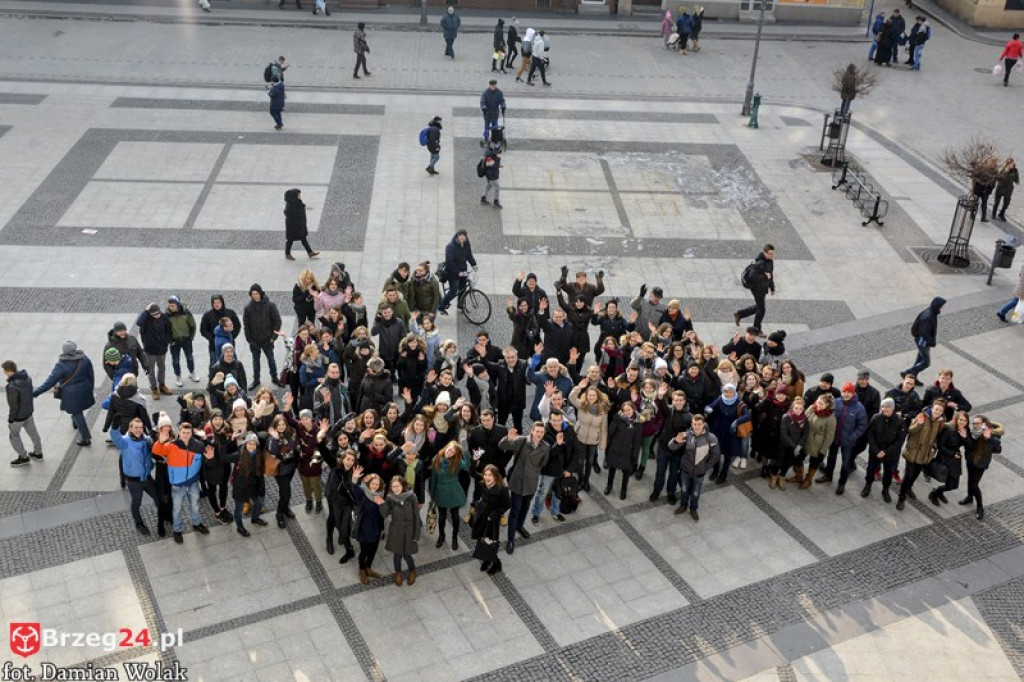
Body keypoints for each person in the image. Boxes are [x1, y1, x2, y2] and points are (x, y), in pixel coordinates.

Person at [152, 421, 211, 544]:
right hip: (177, 486)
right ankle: (177, 530)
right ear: (179, 432)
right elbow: (156, 452)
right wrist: (160, 441)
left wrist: (206, 440)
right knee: (177, 509)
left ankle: (197, 523)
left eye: (188, 433)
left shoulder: (199, 445)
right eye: (183, 432)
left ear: (191, 433)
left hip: (193, 483)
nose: (186, 435)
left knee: (195, 506)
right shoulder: (171, 445)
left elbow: (209, 454)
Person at [499, 422, 549, 554]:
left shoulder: (545, 447)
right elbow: (501, 446)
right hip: (517, 481)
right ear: (532, 431)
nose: (539, 434)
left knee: (525, 507)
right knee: (515, 510)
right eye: (537, 431)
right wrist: (508, 439)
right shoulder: (521, 441)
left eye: (541, 432)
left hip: (531, 483)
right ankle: (510, 540)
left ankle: (519, 526)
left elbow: (543, 463)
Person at [33, 341, 95, 447]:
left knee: (77, 413)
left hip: (71, 394)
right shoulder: (84, 359)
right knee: (76, 411)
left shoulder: (61, 365)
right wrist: (90, 387)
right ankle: (75, 422)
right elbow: (91, 374)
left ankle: (86, 438)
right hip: (84, 388)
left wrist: (36, 392)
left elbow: (50, 382)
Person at [897, 398, 946, 511]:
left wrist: (934, 446)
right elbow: (910, 430)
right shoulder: (922, 416)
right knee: (908, 475)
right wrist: (919, 424)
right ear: (932, 408)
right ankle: (902, 496)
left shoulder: (939, 422)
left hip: (925, 454)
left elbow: (936, 436)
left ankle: (909, 488)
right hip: (913, 451)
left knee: (916, 474)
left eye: (940, 411)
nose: (937, 412)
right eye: (936, 409)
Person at [669, 414, 720, 521]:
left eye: (699, 424)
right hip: (686, 471)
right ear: (692, 424)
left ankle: (693, 508)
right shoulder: (687, 435)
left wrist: (706, 467)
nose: (697, 426)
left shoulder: (711, 438)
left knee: (696, 492)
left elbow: (716, 455)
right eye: (694, 424)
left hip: (699, 473)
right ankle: (683, 505)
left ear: (704, 424)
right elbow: (671, 447)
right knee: (684, 489)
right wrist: (675, 441)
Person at [110, 418, 157, 534]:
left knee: (158, 497)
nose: (138, 430)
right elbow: (115, 438)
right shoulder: (125, 442)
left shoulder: (147, 439)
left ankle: (164, 515)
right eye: (136, 427)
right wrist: (114, 427)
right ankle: (138, 522)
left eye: (140, 427)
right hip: (134, 481)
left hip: (147, 477)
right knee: (136, 502)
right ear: (130, 428)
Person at [861, 397, 906, 502]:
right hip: (875, 452)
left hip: (890, 455)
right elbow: (870, 434)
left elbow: (900, 441)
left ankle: (885, 489)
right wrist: (877, 451)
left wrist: (885, 452)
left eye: (888, 407)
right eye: (883, 406)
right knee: (870, 469)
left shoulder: (900, 422)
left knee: (888, 473)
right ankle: (868, 485)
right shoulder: (876, 418)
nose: (885, 409)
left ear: (893, 408)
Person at [381, 476, 421, 586]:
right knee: (397, 555)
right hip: (396, 529)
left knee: (407, 554)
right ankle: (398, 573)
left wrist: (416, 534)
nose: (395, 489)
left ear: (402, 485)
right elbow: (385, 514)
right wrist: (381, 504)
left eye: (397, 486)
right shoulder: (390, 498)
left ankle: (412, 571)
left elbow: (417, 516)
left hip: (409, 529)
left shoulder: (412, 496)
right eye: (393, 486)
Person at [243, 283, 284, 390]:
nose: (255, 296)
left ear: (260, 293)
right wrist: (249, 340)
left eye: (256, 293)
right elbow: (246, 325)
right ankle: (256, 380)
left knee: (271, 360)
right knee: (255, 361)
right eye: (252, 294)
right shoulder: (248, 308)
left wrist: (273, 338)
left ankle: (275, 378)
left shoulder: (270, 305)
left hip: (268, 340)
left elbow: (277, 322)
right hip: (254, 341)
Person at [429, 441, 469, 550]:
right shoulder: (436, 459)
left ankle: (454, 537)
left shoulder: (458, 461)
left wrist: (465, 452)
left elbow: (467, 466)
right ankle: (442, 536)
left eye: (453, 452)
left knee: (455, 516)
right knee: (441, 517)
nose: (450, 453)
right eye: (449, 449)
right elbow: (433, 479)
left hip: (453, 490)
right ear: (446, 447)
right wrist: (432, 495)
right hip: (441, 491)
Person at [472, 464, 511, 574]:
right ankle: (486, 560)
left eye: (490, 475)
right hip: (483, 517)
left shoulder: (502, 489)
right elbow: (482, 499)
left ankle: (496, 563)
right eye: (485, 474)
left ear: (495, 477)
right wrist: (477, 505)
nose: (487, 477)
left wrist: (496, 513)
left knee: (492, 541)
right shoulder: (482, 484)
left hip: (493, 519)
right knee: (483, 539)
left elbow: (507, 504)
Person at [960, 415, 1001, 520]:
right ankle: (969, 497)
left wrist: (988, 439)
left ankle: (980, 507)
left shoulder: (991, 434)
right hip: (970, 460)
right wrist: (965, 438)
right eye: (973, 423)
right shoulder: (972, 433)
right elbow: (970, 446)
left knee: (974, 485)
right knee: (970, 480)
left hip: (981, 463)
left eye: (977, 423)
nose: (975, 425)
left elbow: (998, 449)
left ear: (983, 424)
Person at [5, 361, 43, 467]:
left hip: (18, 418)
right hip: (28, 413)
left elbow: (14, 406)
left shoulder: (12, 387)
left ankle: (23, 457)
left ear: (8, 371)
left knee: (14, 436)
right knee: (33, 433)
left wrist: (11, 419)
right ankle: (38, 453)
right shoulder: (28, 378)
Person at [902, 297, 945, 385]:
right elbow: (924, 332)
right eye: (941, 306)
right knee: (926, 362)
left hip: (922, 341)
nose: (942, 308)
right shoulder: (929, 316)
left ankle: (913, 376)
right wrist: (931, 341)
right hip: (923, 342)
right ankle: (908, 373)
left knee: (919, 360)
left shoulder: (930, 312)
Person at [605, 402, 643, 500]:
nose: (627, 412)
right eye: (625, 410)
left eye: (629, 410)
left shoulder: (637, 423)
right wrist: (615, 422)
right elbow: (610, 433)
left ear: (633, 409)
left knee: (626, 473)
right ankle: (609, 486)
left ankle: (623, 490)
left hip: (627, 452)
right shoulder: (619, 420)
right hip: (615, 449)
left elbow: (637, 441)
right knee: (612, 470)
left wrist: (635, 454)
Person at [734, 244, 775, 336]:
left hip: (763, 287)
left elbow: (770, 275)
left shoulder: (770, 262)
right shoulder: (759, 263)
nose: (771, 256)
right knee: (761, 309)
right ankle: (756, 330)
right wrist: (764, 276)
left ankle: (740, 314)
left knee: (759, 307)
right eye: (770, 254)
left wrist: (772, 287)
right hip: (757, 288)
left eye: (772, 254)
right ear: (765, 253)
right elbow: (751, 276)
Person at [137, 303, 172, 401]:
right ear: (150, 314)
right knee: (150, 370)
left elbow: (168, 329)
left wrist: (166, 341)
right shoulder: (146, 320)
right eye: (154, 314)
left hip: (162, 349)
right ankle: (154, 389)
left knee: (162, 368)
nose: (157, 316)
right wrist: (146, 310)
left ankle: (162, 385)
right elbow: (138, 323)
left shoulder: (163, 317)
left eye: (158, 313)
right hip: (150, 350)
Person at [438, 230, 477, 314]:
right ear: (457, 236)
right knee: (454, 290)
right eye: (460, 235)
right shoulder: (450, 247)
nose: (462, 237)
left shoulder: (466, 244)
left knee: (463, 288)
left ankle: (461, 304)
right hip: (452, 272)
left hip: (463, 269)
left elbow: (469, 255)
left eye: (464, 235)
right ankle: (441, 306)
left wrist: (474, 264)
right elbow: (450, 262)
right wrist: (458, 272)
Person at [165, 296, 198, 388]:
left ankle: (192, 372)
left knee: (190, 357)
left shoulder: (186, 312)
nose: (171, 307)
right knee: (175, 360)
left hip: (186, 339)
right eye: (170, 305)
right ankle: (178, 376)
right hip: (174, 341)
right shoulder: (167, 315)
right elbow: (165, 330)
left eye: (173, 305)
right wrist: (170, 340)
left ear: (177, 304)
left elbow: (192, 325)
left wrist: (191, 338)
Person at [284, 188, 319, 260]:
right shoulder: (292, 204)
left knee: (303, 238)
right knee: (290, 240)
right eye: (298, 195)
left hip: (300, 225)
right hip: (293, 226)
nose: (300, 196)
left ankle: (310, 252)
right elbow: (295, 214)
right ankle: (287, 254)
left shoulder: (296, 202)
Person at [480, 80, 506, 145]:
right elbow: (482, 101)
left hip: (495, 114)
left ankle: (495, 139)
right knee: (486, 127)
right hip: (487, 114)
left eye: (494, 85)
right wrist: (484, 108)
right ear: (489, 85)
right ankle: (486, 138)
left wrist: (503, 106)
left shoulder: (499, 93)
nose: (493, 87)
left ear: (496, 85)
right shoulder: (485, 93)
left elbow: (502, 101)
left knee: (495, 127)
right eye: (492, 85)